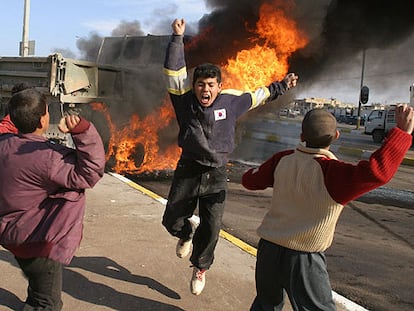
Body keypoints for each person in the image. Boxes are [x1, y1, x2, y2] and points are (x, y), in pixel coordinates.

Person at [161, 18, 299, 296]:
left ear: (219, 87)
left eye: (211, 85)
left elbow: (260, 95)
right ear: (194, 85)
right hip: (189, 169)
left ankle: (200, 266)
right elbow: (174, 72)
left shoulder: (232, 101)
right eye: (200, 84)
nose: (205, 90)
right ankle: (186, 233)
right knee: (172, 220)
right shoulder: (183, 99)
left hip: (217, 173)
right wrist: (177, 38)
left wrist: (282, 86)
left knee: (212, 227)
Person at [241, 106, 414, 310]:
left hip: (268, 248)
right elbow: (377, 172)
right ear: (336, 136)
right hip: (304, 256)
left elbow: (249, 180)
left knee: (265, 305)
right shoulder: (333, 173)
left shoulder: (282, 160)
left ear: (302, 135)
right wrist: (402, 134)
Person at [0, 88, 106, 310]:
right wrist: (82, 131)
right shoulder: (49, 157)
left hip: (10, 234)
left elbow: (9, 130)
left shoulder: (4, 144)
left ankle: (33, 300)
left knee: (37, 285)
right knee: (48, 302)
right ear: (43, 120)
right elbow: (90, 172)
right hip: (38, 240)